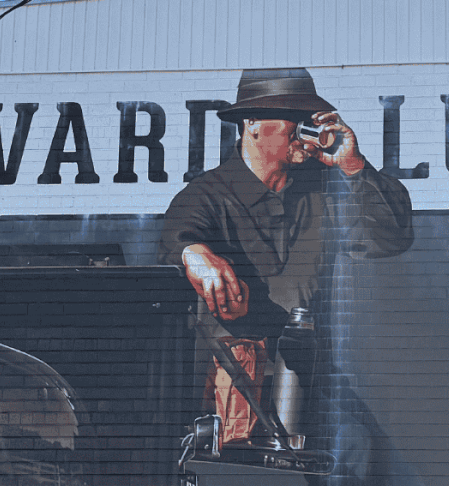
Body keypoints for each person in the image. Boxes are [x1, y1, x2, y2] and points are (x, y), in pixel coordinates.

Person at [159, 68, 415, 447]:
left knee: (356, 457)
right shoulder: (207, 194)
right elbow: (179, 236)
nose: (304, 130)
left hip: (308, 377)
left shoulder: (326, 192)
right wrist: (196, 256)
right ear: (252, 124)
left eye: (309, 120)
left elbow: (389, 239)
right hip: (230, 386)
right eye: (292, 119)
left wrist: (353, 166)